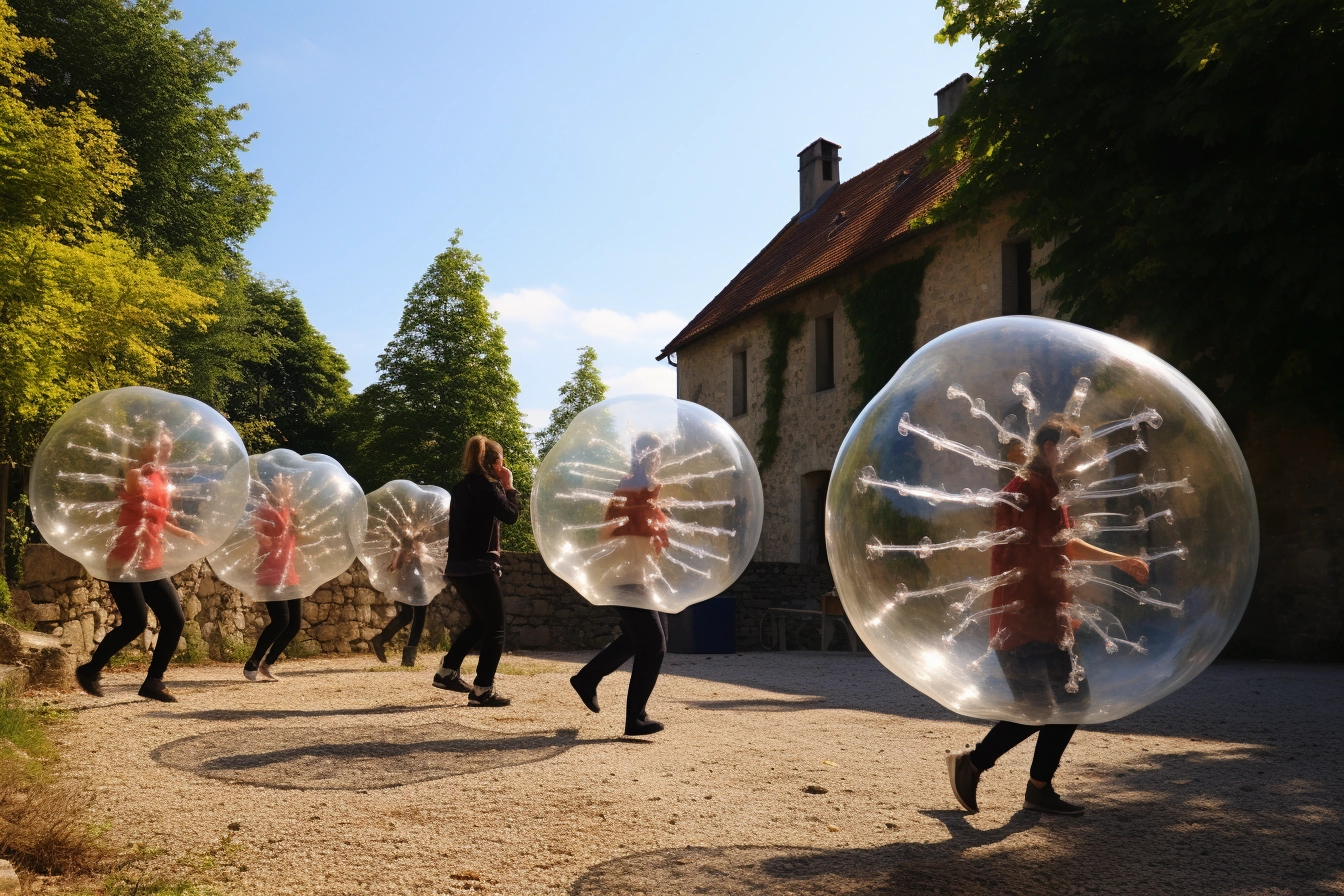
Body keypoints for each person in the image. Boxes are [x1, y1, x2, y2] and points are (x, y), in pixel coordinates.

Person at [948, 413, 1150, 815]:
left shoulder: (1046, 488)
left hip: (1046, 617)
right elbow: (1056, 548)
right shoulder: (1029, 489)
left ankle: (1038, 788)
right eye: (1071, 452)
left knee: (1071, 702)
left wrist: (1118, 562)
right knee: (1038, 707)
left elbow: (1063, 544)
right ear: (1050, 449)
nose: (1076, 462)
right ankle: (971, 764)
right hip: (1023, 619)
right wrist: (1120, 560)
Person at [76, 426, 199, 703]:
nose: (165, 453)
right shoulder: (135, 474)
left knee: (174, 619)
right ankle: (90, 670)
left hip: (150, 559)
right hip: (125, 559)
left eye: (168, 448)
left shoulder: (161, 478)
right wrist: (139, 469)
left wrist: (186, 533)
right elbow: (138, 500)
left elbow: (158, 518)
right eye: (159, 447)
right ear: (145, 447)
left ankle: (153, 682)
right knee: (135, 623)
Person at [568, 432, 672, 737]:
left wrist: (656, 521)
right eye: (652, 451)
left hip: (639, 573)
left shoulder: (642, 487)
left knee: (638, 639)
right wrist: (649, 515)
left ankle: (587, 679)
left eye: (657, 451)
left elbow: (638, 524)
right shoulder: (632, 485)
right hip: (626, 575)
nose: (656, 456)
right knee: (654, 643)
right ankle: (635, 719)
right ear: (643, 455)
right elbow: (612, 526)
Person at [432, 436, 519, 706]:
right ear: (495, 464)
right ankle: (482, 689)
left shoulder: (460, 488)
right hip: (479, 566)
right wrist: (508, 486)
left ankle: (447, 672)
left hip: (457, 566)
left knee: (481, 624)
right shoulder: (489, 487)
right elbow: (511, 516)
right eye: (501, 461)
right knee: (496, 628)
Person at [243, 474, 304, 682]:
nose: (289, 485)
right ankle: (253, 661)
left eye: (289, 482)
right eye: (284, 482)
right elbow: (260, 538)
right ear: (273, 488)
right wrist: (263, 536)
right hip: (271, 573)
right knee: (281, 620)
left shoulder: (292, 512)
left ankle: (266, 664)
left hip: (290, 574)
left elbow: (299, 540)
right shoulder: (265, 511)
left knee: (294, 624)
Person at [370, 517, 437, 667]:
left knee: (406, 615)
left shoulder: (408, 538)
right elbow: (402, 553)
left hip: (407, 580)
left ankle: (381, 640)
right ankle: (408, 657)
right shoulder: (407, 537)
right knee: (418, 616)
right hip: (413, 580)